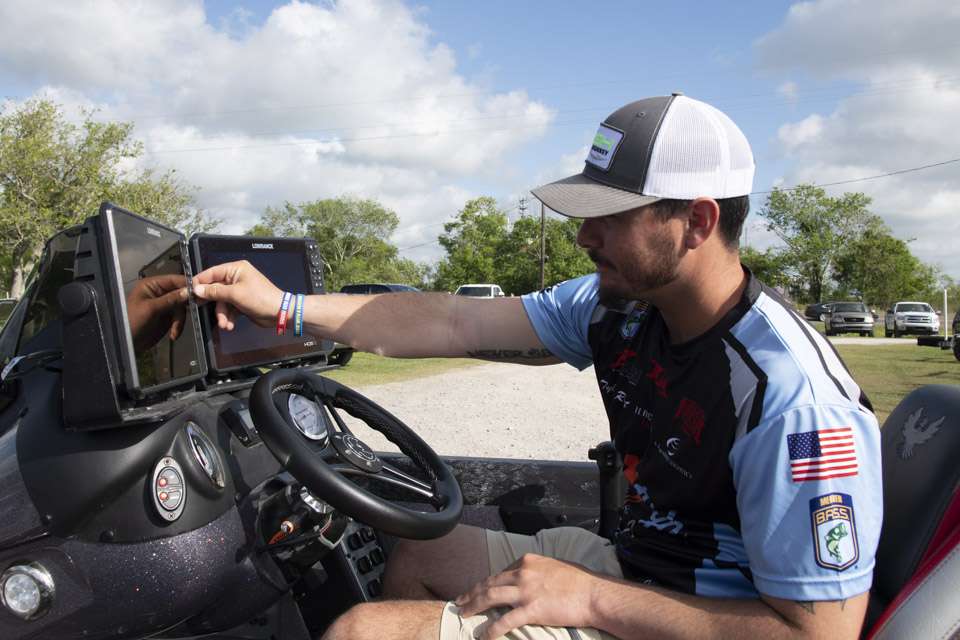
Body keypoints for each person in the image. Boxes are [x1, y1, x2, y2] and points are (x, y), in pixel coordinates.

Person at [191, 94, 882, 640]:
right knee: (421, 551)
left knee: (362, 632)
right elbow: (453, 320)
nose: (584, 236)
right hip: (642, 572)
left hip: (703, 613)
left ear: (696, 222)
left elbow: (815, 635)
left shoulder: (795, 403)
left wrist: (591, 598)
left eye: (610, 217)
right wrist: (283, 306)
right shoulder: (623, 306)